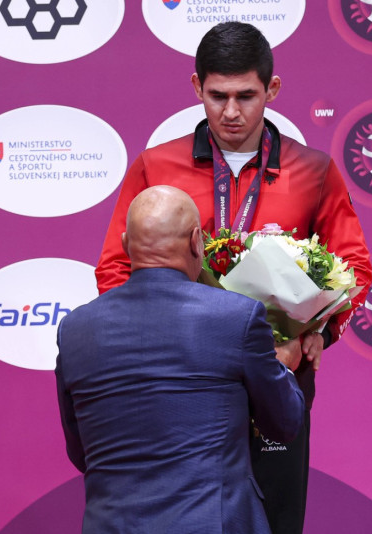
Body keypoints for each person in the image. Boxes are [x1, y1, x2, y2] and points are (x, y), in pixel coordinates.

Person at [94, 22, 372, 534]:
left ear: (273, 89)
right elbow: (115, 268)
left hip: (278, 375)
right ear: (196, 87)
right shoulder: (155, 167)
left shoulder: (314, 170)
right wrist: (159, 345)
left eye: (246, 95)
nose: (231, 112)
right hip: (179, 379)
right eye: (217, 95)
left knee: (275, 521)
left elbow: (353, 268)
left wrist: (317, 331)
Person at [56, 185, 305, 533]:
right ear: (196, 241)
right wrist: (283, 365)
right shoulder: (237, 316)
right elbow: (284, 423)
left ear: (126, 244)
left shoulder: (74, 330)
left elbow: (81, 452)